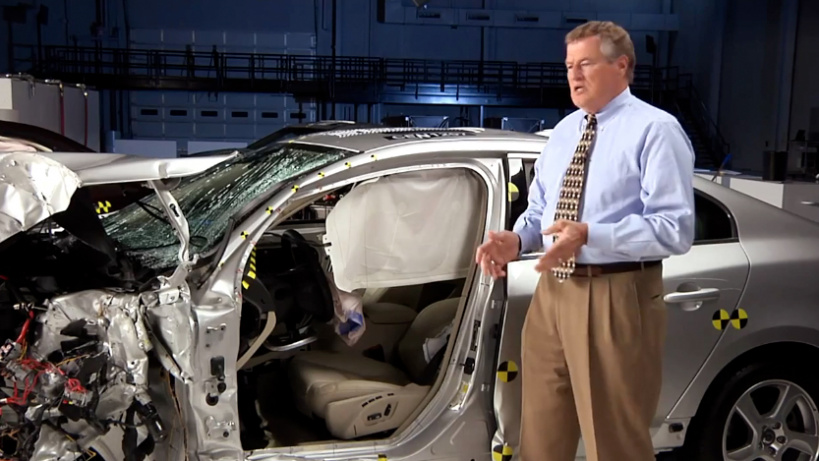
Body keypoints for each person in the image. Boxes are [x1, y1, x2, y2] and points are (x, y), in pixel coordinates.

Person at [475, 21, 695, 461]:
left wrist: (591, 235)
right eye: (569, 65)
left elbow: (674, 228)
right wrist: (515, 241)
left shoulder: (656, 130)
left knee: (614, 444)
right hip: (552, 294)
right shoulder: (563, 132)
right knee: (540, 438)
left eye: (586, 64)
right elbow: (541, 212)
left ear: (621, 65)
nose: (573, 75)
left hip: (616, 294)